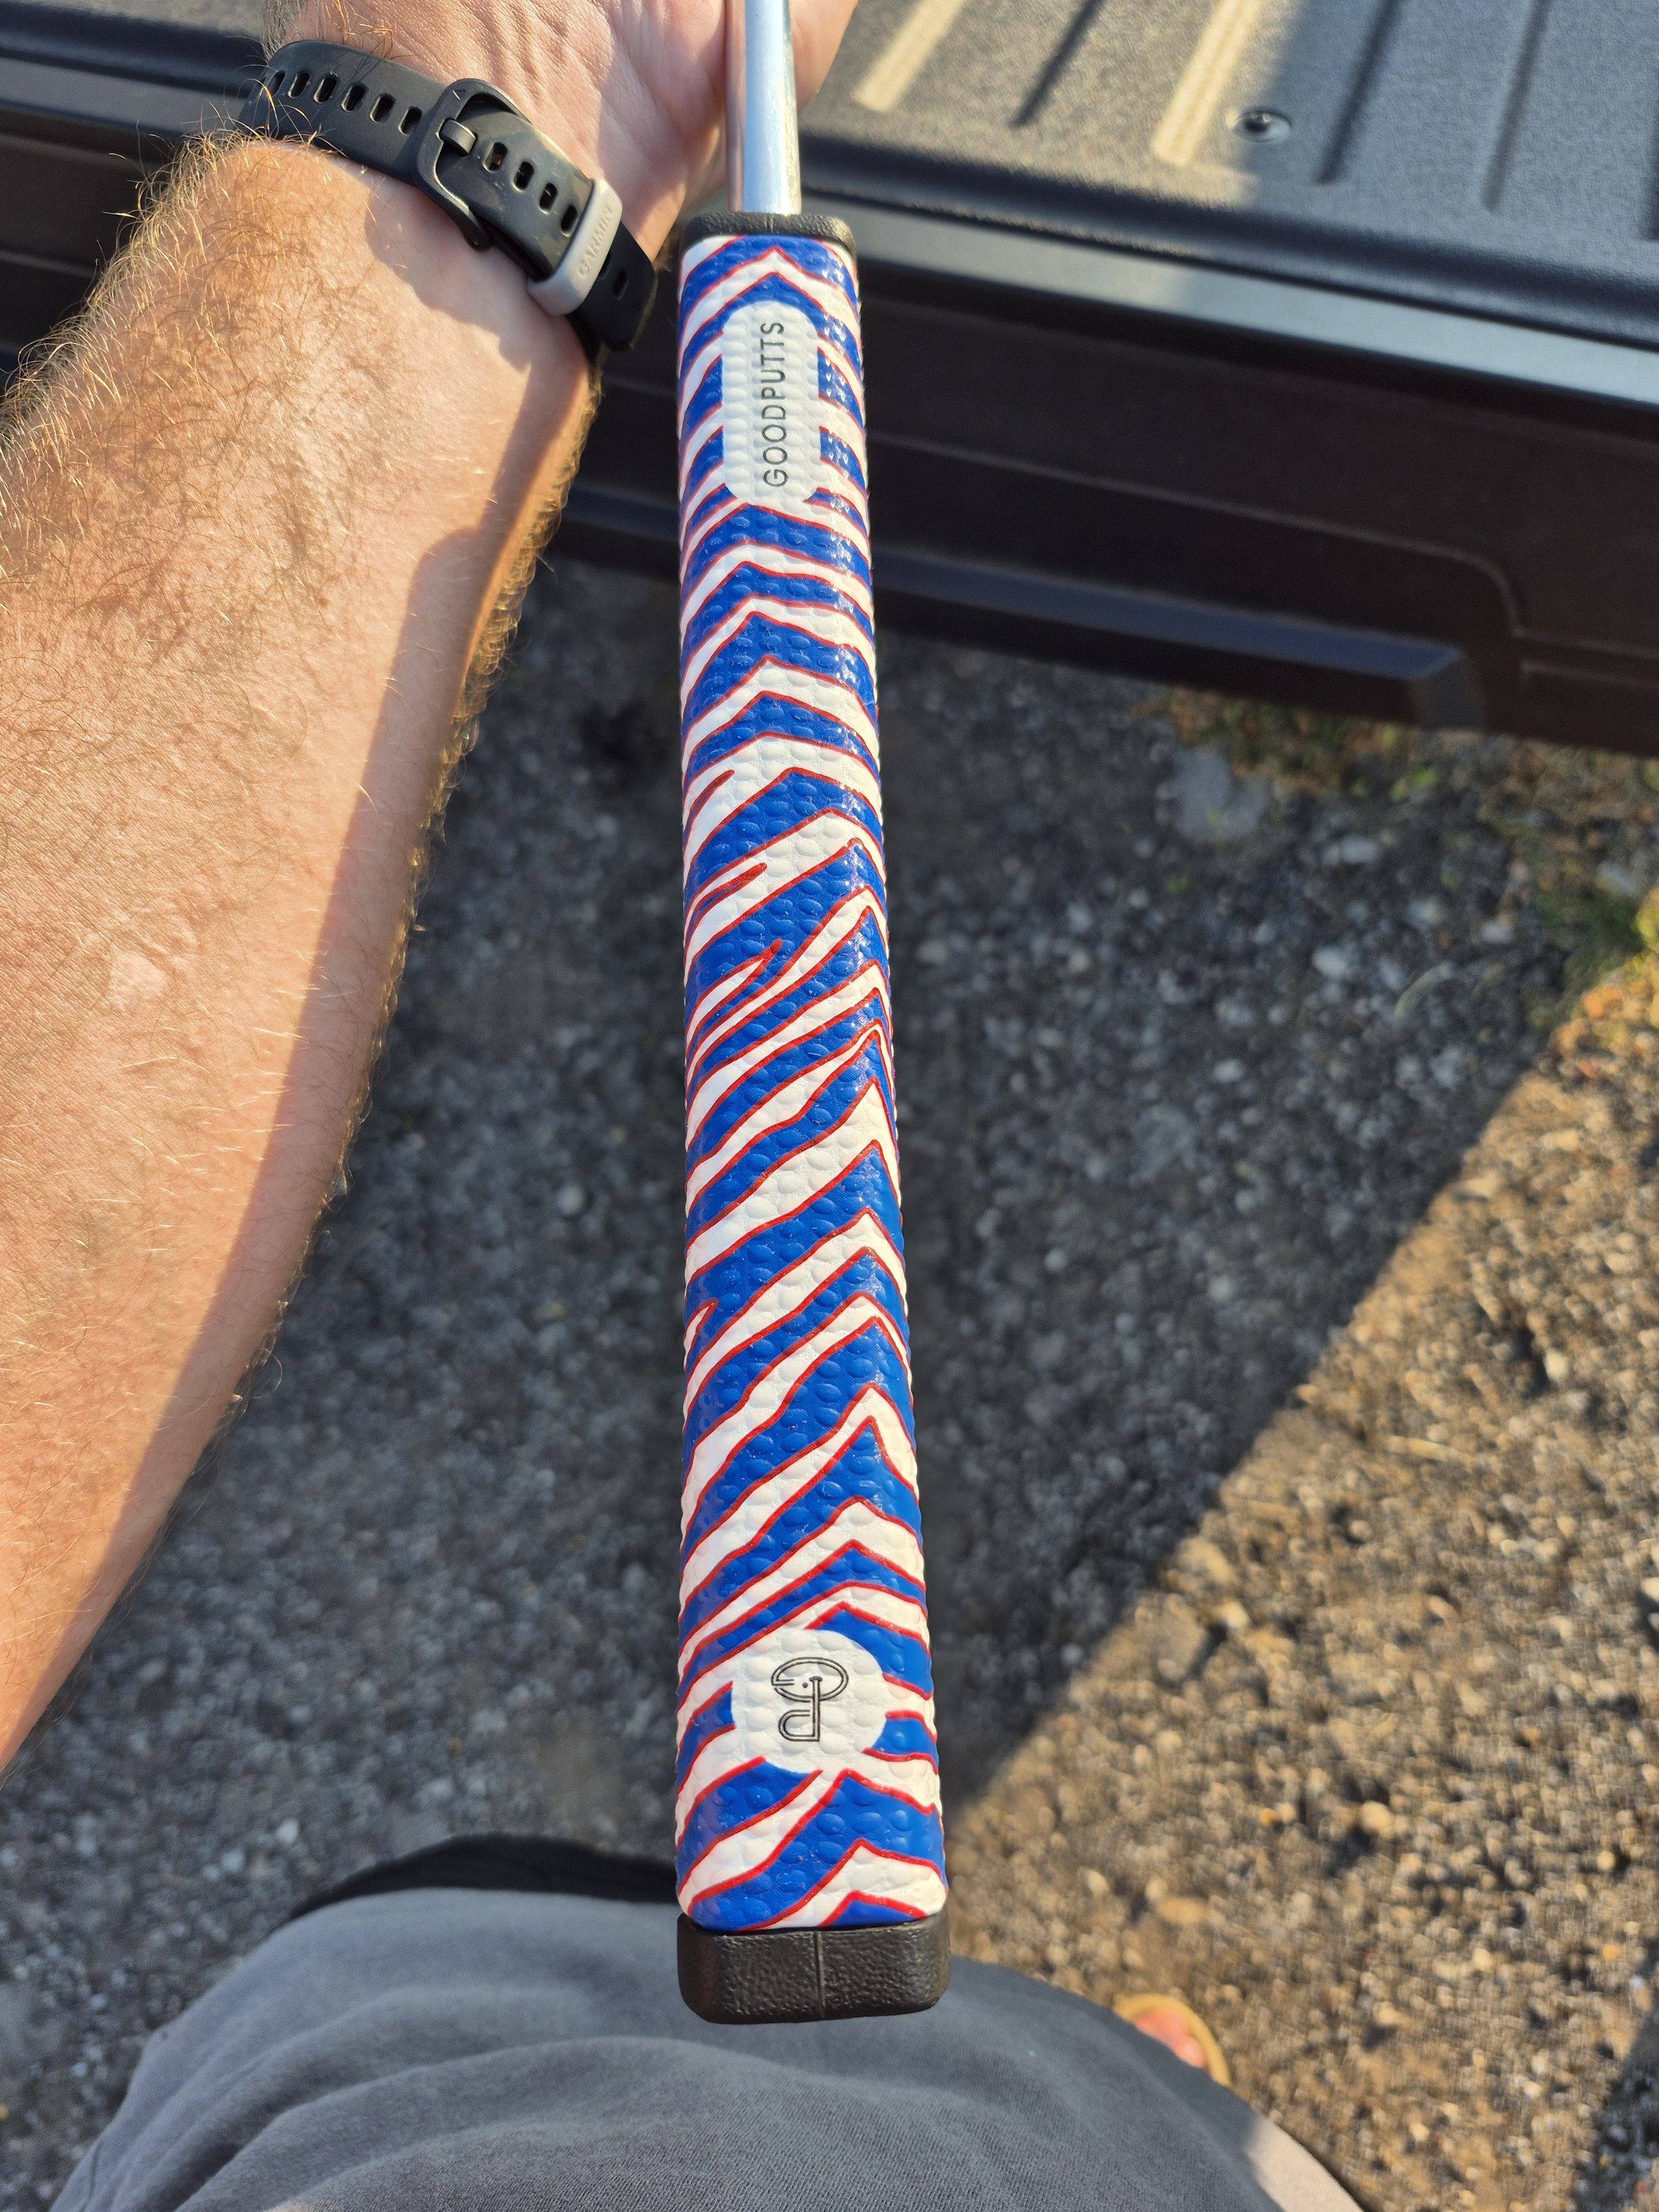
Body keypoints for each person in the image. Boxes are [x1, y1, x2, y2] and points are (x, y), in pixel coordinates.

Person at [0, 0, 1360, 2201]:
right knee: (1072, 2134)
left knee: (474, 1965)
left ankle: (1075, 2103)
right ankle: (1105, 2110)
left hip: (372, 2076)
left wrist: (531, 85)